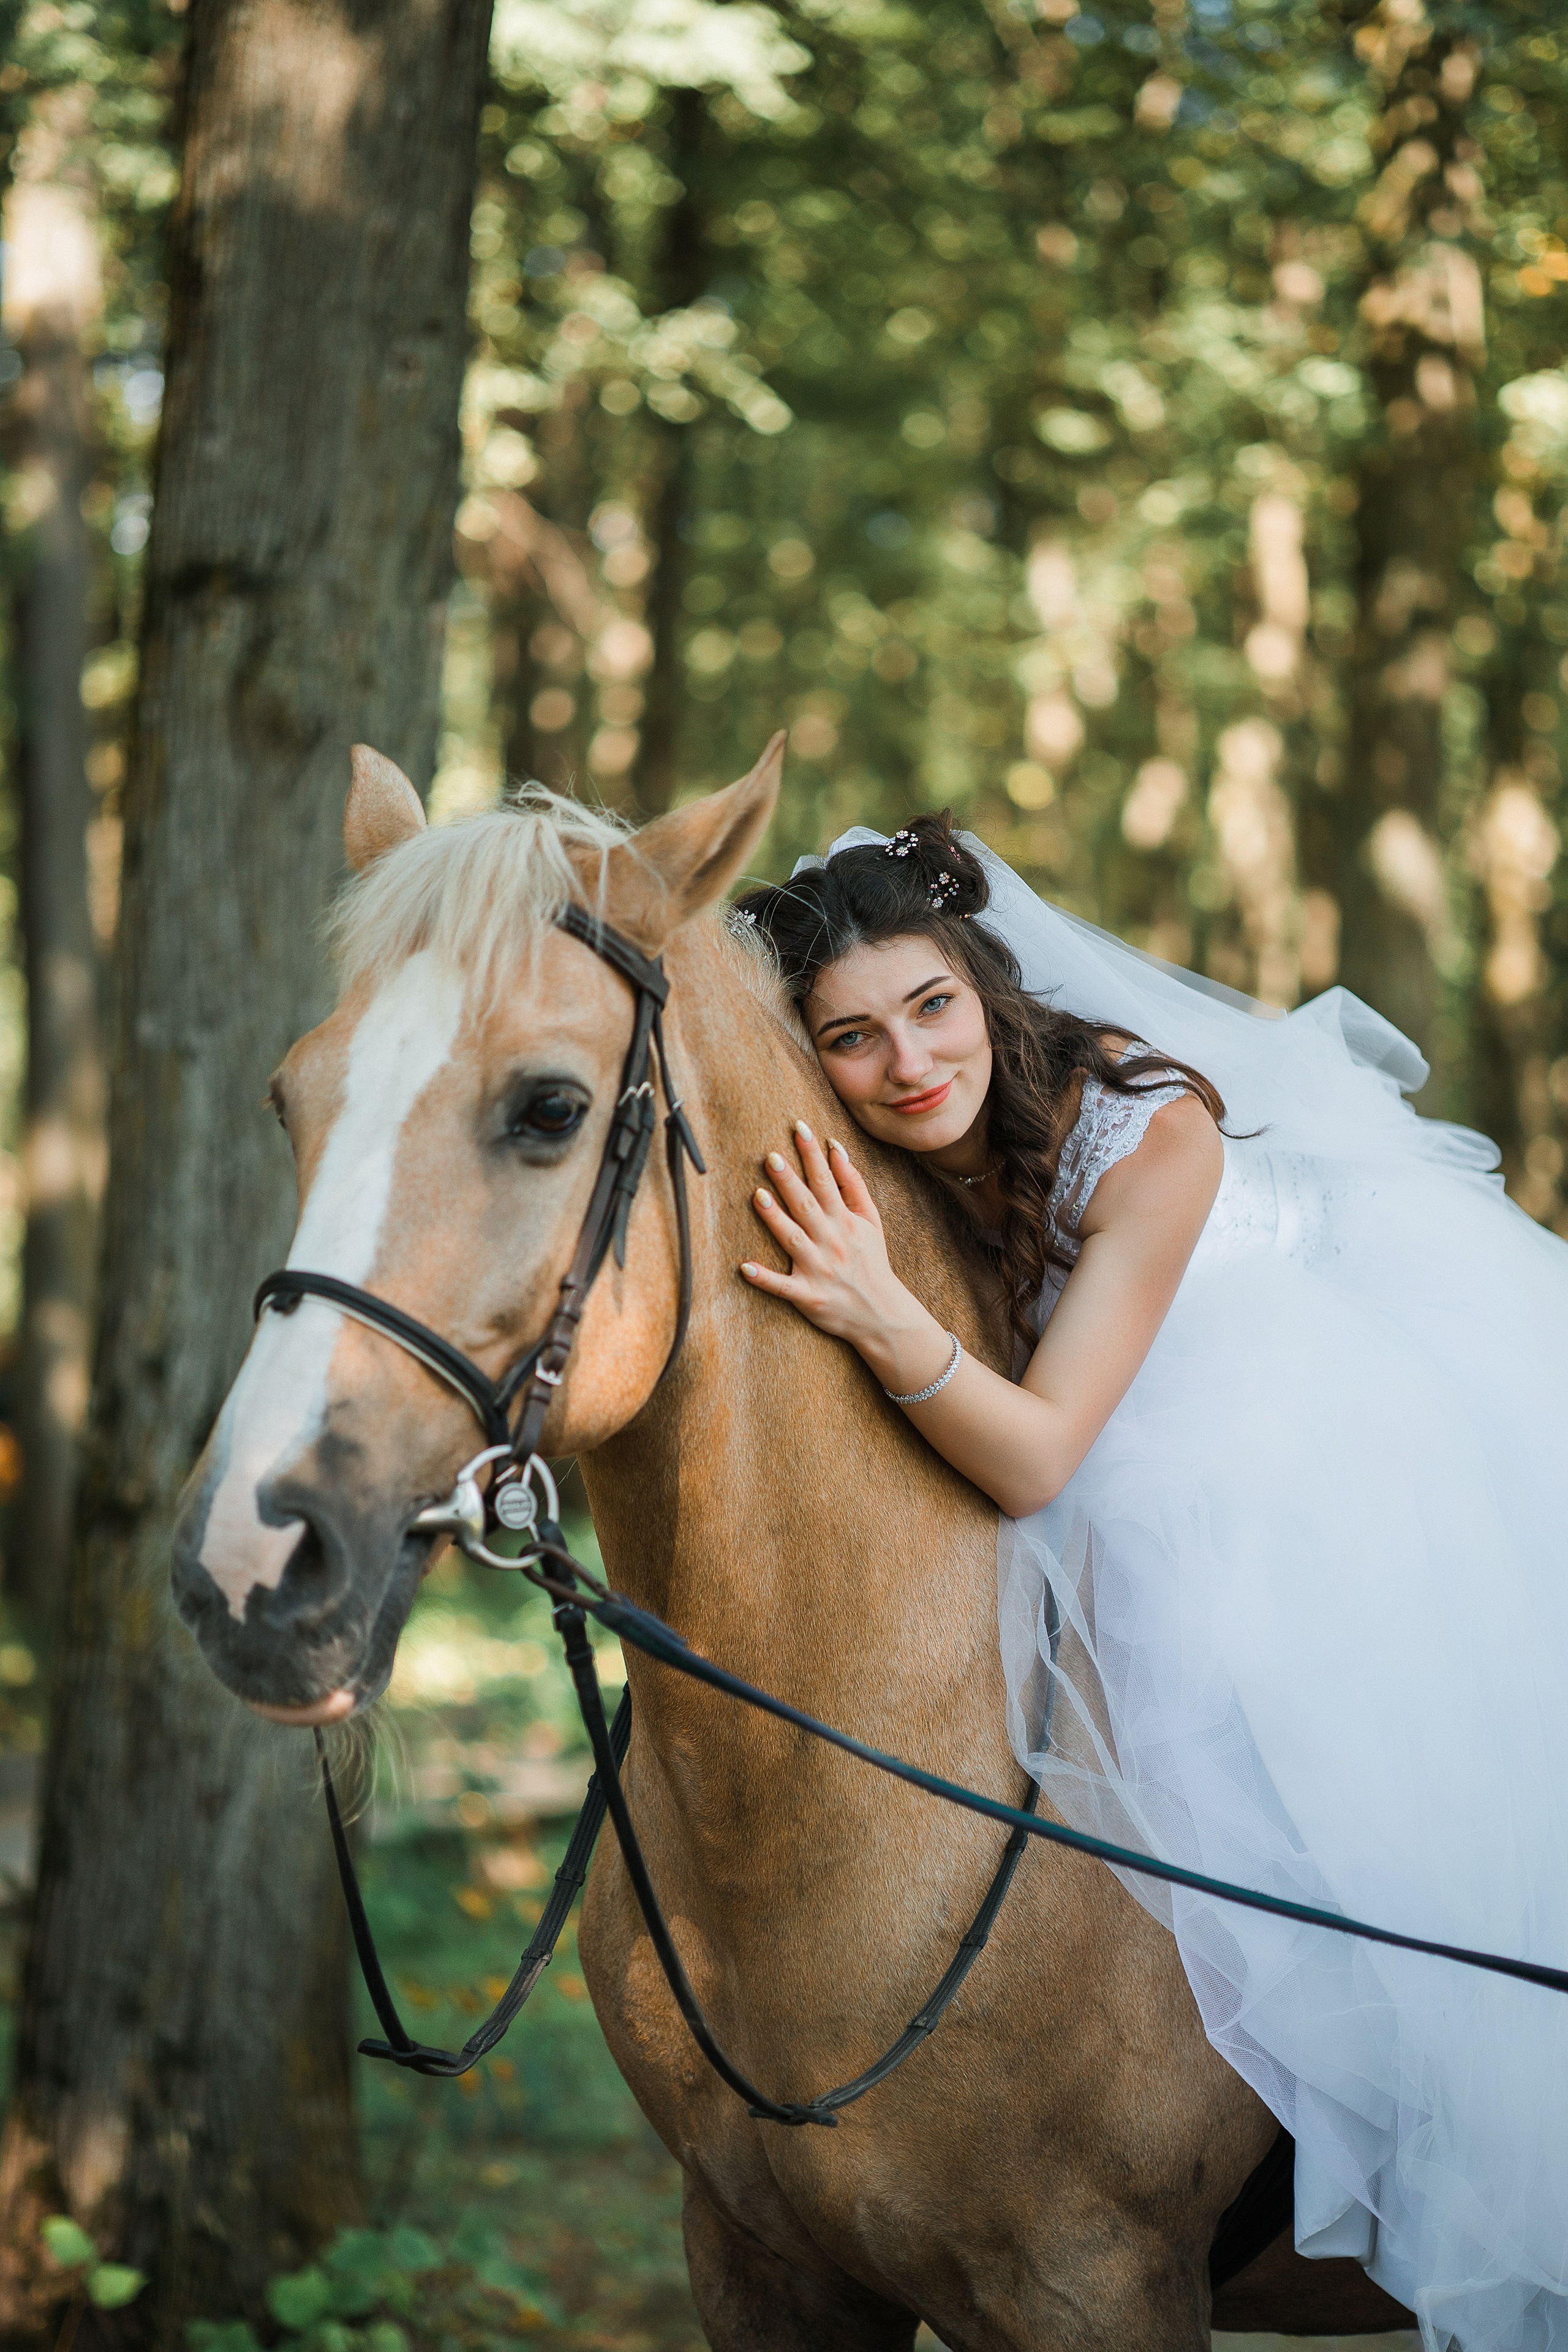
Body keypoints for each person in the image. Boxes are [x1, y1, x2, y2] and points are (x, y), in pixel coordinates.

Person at [730, 814, 1568, 2352]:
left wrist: (875, 1312)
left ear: (982, 984)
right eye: (848, 1039)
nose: (908, 1063)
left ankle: (1391, 2100)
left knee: (1308, 1757)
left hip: (1279, 1421)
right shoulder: (870, 1139)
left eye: (930, 1007)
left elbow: (1044, 1454)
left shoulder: (1145, 1119)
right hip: (1083, 1411)